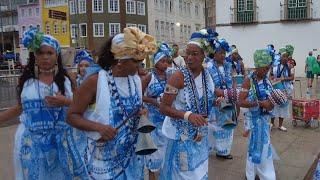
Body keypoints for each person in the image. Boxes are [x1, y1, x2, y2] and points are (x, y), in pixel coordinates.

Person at [67, 27, 157, 179]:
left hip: (133, 159)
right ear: (120, 61)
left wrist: (143, 113)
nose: (140, 66)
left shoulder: (135, 80)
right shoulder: (95, 81)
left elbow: (135, 108)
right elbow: (71, 116)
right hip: (104, 163)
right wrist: (99, 127)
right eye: (136, 61)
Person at [11, 27, 87, 179]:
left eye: (50, 53)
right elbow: (20, 108)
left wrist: (65, 101)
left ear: (56, 55)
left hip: (60, 143)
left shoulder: (67, 80)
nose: (45, 57)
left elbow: (82, 106)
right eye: (41, 53)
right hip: (31, 144)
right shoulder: (26, 81)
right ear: (35, 56)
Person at [159, 29, 216, 180]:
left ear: (204, 55)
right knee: (183, 173)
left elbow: (210, 96)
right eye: (187, 53)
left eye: (194, 54)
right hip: (180, 137)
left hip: (199, 136)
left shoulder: (207, 76)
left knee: (199, 172)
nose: (189, 58)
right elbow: (163, 107)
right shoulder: (177, 77)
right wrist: (187, 115)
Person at [239, 49, 284, 180]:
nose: (266, 71)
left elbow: (270, 96)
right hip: (253, 122)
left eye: (268, 69)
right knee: (258, 148)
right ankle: (263, 175)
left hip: (264, 121)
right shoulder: (249, 81)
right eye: (264, 69)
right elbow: (240, 101)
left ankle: (253, 174)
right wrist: (258, 103)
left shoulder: (266, 80)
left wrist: (273, 101)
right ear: (257, 66)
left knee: (260, 148)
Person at [142, 42, 171, 180]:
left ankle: (164, 175)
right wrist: (153, 101)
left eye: (167, 61)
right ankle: (152, 175)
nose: (165, 64)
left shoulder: (169, 77)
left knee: (165, 149)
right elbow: (139, 96)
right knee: (153, 150)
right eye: (162, 61)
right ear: (155, 61)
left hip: (165, 119)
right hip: (152, 120)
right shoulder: (149, 77)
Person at [207, 38, 236, 160]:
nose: (223, 55)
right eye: (220, 53)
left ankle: (224, 151)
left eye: (224, 53)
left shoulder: (228, 65)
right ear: (214, 53)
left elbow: (233, 80)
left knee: (227, 126)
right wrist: (220, 93)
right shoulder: (208, 66)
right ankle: (212, 149)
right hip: (215, 102)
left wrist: (233, 92)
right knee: (213, 127)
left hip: (228, 99)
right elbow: (209, 84)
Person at [270, 46, 294, 132]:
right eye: (283, 56)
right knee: (274, 104)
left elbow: (292, 77)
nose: (285, 58)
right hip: (276, 87)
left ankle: (280, 125)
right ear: (280, 57)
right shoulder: (275, 66)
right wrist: (273, 78)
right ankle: (272, 123)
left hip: (286, 89)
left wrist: (283, 79)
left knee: (283, 106)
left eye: (286, 56)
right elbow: (271, 75)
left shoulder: (290, 66)